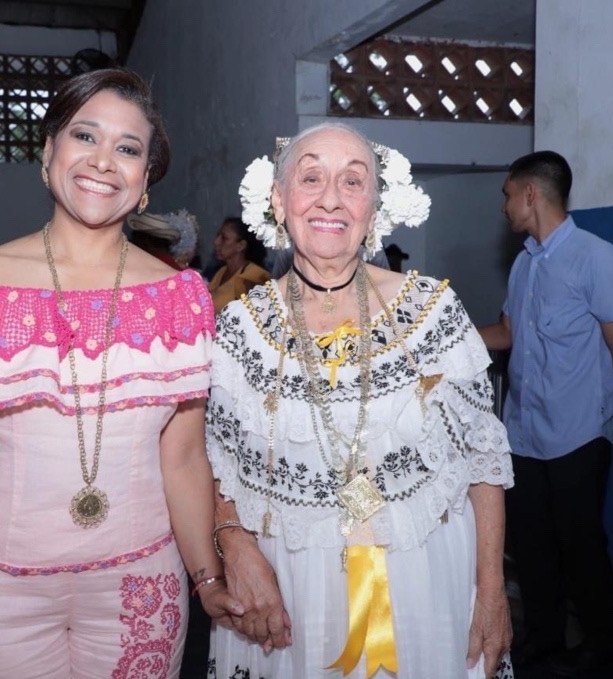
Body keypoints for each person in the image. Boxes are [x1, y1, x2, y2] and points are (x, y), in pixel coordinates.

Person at [0, 67, 241, 679]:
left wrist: (206, 576)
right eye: (85, 137)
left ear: (146, 178)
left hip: (142, 586)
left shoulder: (179, 297)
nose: (104, 161)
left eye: (128, 148)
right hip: (0, 590)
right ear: (48, 151)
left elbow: (182, 457)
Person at [207, 122, 514, 678]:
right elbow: (216, 461)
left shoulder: (432, 312)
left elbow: (483, 459)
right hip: (294, 590)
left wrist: (492, 592)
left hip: (424, 579)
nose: (331, 198)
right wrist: (237, 550)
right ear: (278, 201)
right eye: (311, 178)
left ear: (374, 208)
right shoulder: (239, 330)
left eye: (353, 181)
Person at [479, 151, 613, 675]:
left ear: (530, 194)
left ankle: (607, 645)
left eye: (507, 194)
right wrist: (439, 337)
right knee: (534, 546)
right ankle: (543, 644)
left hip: (578, 432)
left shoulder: (598, 257)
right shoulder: (524, 263)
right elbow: (507, 336)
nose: (503, 206)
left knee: (581, 545)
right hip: (524, 433)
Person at [208, 217, 270, 314]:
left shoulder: (253, 276)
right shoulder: (221, 271)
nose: (216, 242)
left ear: (240, 246)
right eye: (218, 236)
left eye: (224, 238)